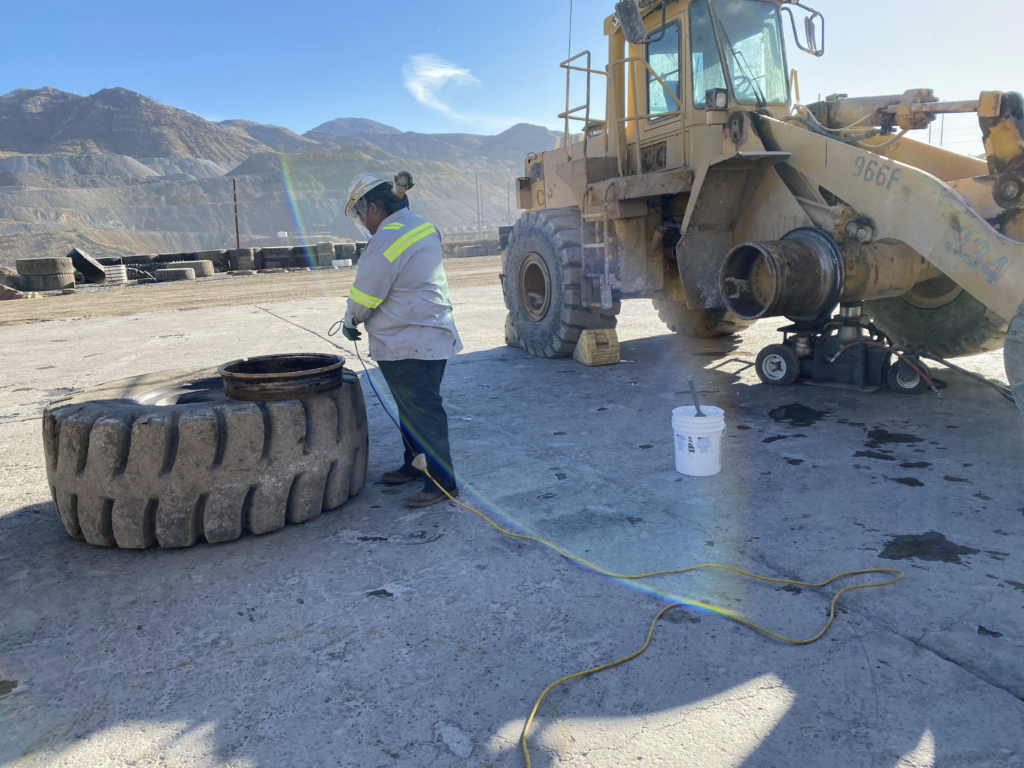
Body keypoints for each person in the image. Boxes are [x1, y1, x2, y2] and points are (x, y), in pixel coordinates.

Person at [340, 173, 463, 508]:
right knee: (412, 410)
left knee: (423, 411)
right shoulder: (422, 226)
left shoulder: (386, 240)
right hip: (430, 335)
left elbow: (365, 295)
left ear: (376, 208)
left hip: (408, 341)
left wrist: (350, 321)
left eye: (363, 214)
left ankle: (441, 481)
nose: (364, 223)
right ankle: (413, 465)